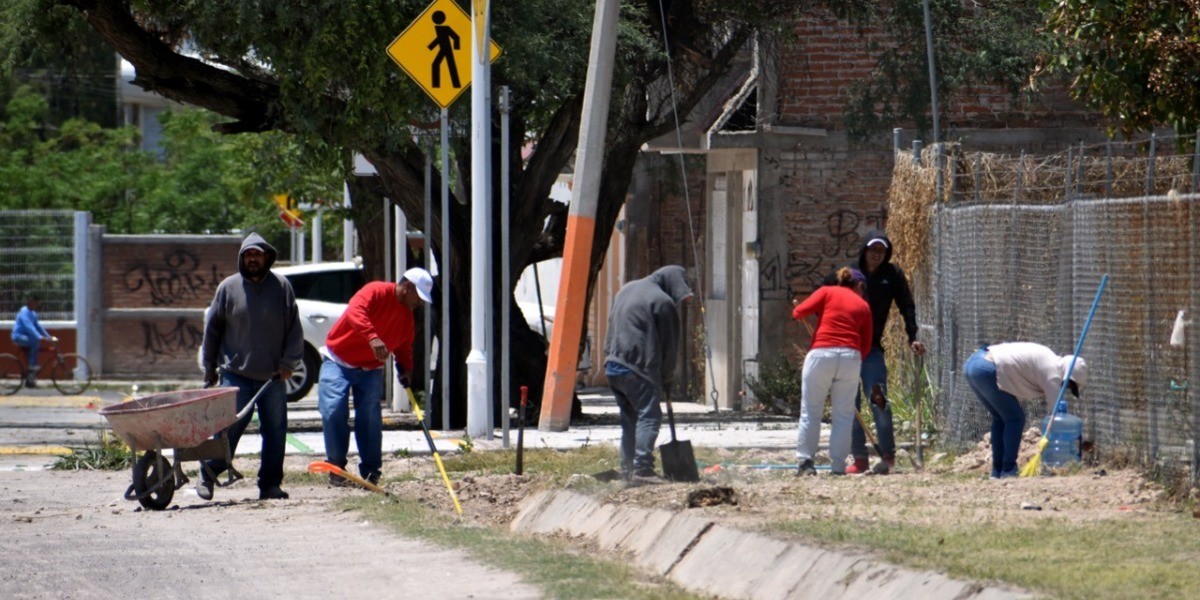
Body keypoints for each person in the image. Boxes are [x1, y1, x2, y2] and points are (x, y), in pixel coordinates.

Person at [198, 233, 303, 501]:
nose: (253, 259)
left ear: (267, 257)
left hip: (273, 377)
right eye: (248, 254)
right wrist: (209, 367)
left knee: (275, 432)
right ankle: (208, 475)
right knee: (227, 430)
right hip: (236, 376)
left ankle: (270, 485)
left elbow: (293, 330)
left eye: (257, 254)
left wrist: (288, 363)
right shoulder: (228, 288)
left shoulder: (281, 287)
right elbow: (213, 331)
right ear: (242, 258)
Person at [318, 267, 433, 486]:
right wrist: (372, 337)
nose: (419, 303)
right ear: (407, 287)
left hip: (370, 368)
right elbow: (355, 311)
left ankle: (371, 471)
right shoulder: (376, 291)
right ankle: (336, 466)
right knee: (333, 409)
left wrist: (406, 368)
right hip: (338, 359)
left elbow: (404, 346)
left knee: (369, 418)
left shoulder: (406, 318)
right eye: (418, 297)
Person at [825, 230, 925, 474]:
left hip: (871, 349)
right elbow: (824, 292)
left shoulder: (892, 275)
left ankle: (887, 456)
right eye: (873, 250)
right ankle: (859, 459)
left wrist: (913, 336)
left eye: (881, 251)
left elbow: (906, 306)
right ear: (864, 250)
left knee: (879, 400)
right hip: (846, 349)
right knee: (851, 405)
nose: (876, 255)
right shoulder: (847, 273)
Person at [604, 265, 694, 486]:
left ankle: (627, 469)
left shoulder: (626, 289)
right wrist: (666, 378)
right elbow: (669, 346)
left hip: (613, 365)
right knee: (650, 416)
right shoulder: (662, 302)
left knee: (629, 418)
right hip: (638, 368)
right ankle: (643, 469)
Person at [963, 342, 1087, 479]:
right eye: (1069, 384)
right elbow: (1056, 414)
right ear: (1068, 376)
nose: (1066, 387)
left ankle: (997, 471)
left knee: (1001, 418)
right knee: (1015, 419)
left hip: (973, 364)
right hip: (987, 367)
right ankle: (1008, 469)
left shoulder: (1048, 357)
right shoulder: (1053, 373)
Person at [793, 267, 873, 476]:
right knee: (844, 415)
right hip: (850, 357)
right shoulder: (863, 305)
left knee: (811, 410)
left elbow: (798, 312)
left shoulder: (827, 292)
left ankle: (806, 462)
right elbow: (866, 344)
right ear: (858, 286)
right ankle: (838, 466)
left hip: (821, 354)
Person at [11, 295, 56, 387]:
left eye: (36, 303)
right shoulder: (24, 312)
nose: (35, 304)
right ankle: (32, 365)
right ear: (29, 302)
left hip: (27, 337)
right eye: (33, 302)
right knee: (35, 341)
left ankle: (30, 378)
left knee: (34, 343)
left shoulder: (33, 313)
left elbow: (38, 326)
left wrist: (49, 337)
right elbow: (29, 327)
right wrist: (39, 337)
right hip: (19, 337)